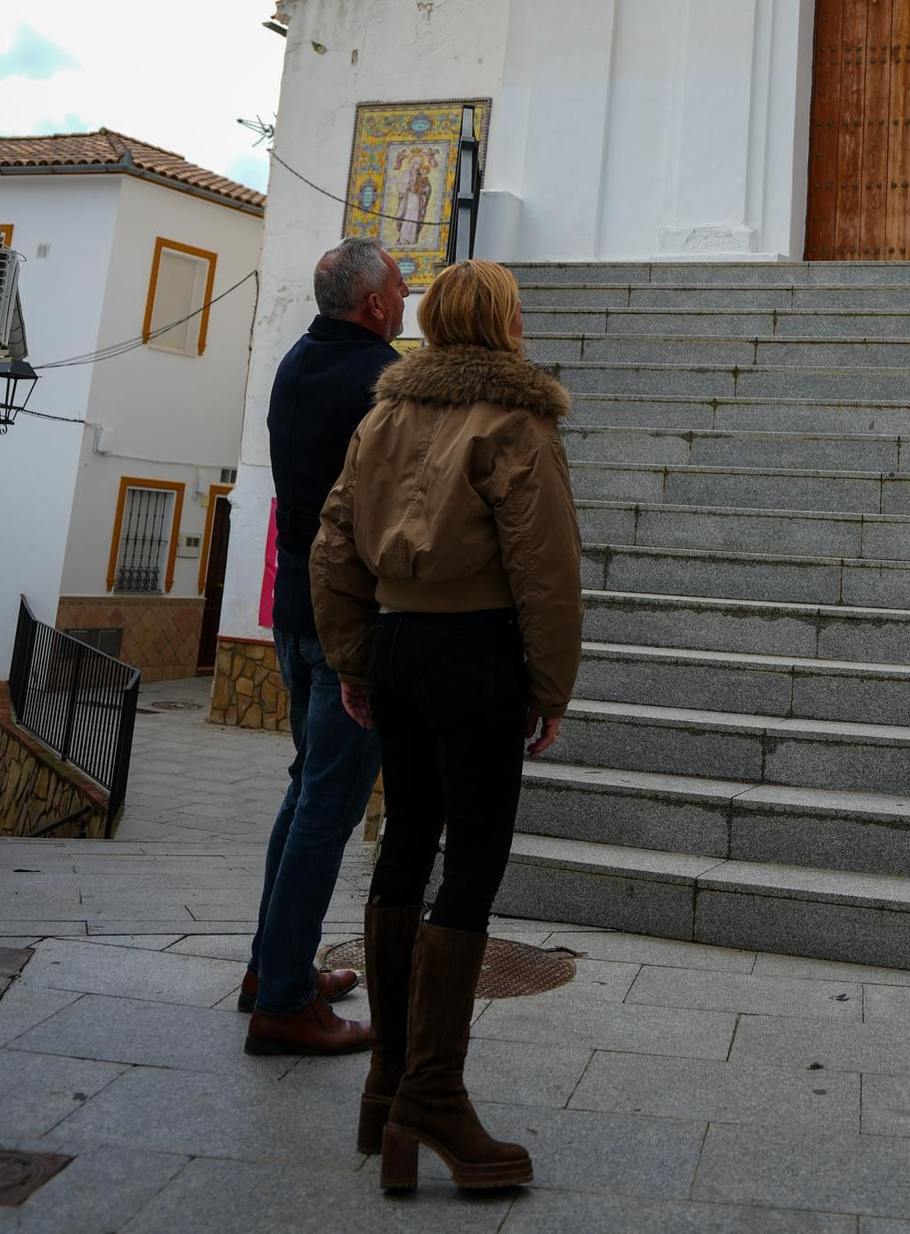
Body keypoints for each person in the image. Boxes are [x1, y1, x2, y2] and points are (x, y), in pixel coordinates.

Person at [311, 257, 581, 1195]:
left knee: (404, 845)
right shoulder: (519, 419)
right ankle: (433, 1093)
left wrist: (353, 656)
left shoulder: (383, 415)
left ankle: (387, 1087)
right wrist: (549, 687)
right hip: (476, 655)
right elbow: (542, 566)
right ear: (504, 322)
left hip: (397, 646)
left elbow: (334, 538)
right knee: (470, 858)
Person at [241, 237, 410, 1057]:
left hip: (294, 603)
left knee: (305, 789)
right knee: (328, 806)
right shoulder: (381, 383)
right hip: (349, 613)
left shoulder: (295, 364)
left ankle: (273, 967)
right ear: (375, 303)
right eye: (402, 289)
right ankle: (282, 1000)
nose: (408, 300)